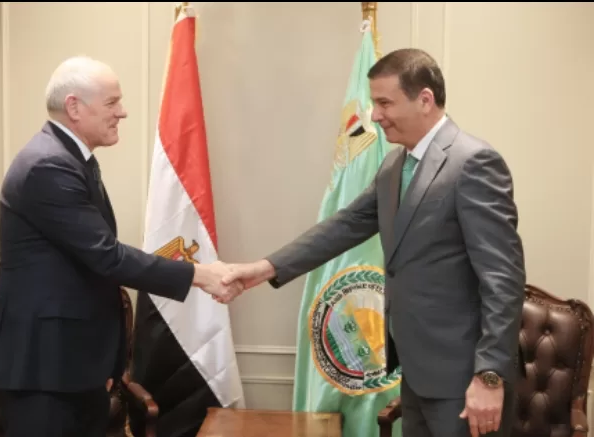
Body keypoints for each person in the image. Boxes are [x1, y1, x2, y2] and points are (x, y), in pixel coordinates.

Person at [220, 48, 525, 437]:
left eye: (384, 103)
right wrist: (264, 269)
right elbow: (346, 225)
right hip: (416, 372)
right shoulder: (395, 165)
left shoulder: (474, 162)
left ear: (425, 99)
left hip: (465, 379)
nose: (375, 115)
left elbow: (503, 280)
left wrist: (490, 376)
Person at [0, 55, 241, 437]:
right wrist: (200, 274)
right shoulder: (48, 166)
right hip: (43, 369)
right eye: (112, 102)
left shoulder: (70, 158)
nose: (123, 112)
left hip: (69, 364)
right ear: (74, 107)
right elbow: (107, 256)